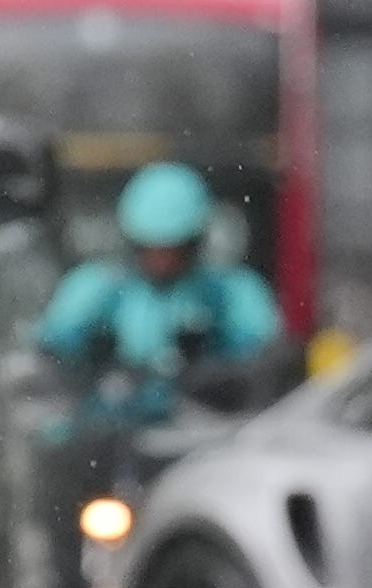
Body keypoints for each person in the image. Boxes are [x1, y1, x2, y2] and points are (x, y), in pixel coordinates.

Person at [31, 160, 283, 431]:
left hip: (208, 440)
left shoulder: (234, 293)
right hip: (104, 439)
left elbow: (265, 367)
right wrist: (94, 371)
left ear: (195, 241)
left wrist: (210, 376)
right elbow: (48, 364)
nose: (161, 260)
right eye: (149, 248)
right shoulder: (93, 289)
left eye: (174, 248)